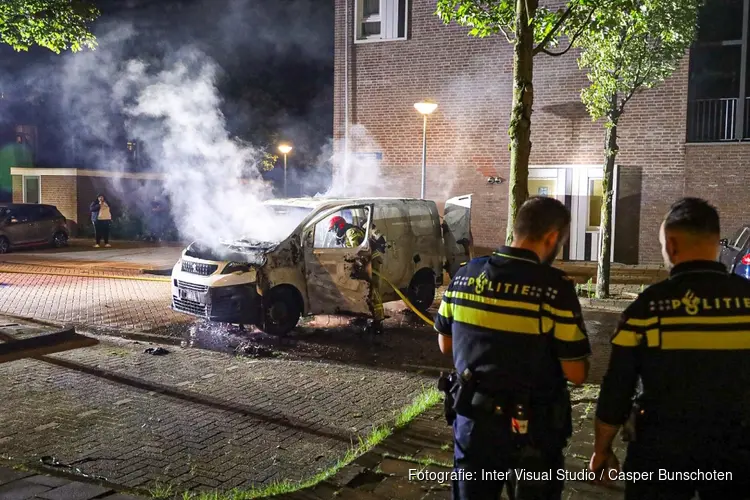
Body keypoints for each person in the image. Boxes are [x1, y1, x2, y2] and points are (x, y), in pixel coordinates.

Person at [590, 197, 750, 499]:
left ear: (672, 245)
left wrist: (602, 449)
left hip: (661, 453)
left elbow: (617, 386)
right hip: (739, 451)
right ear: (716, 242)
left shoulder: (648, 307)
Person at [435, 196, 591, 500]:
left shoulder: (465, 275)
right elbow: (576, 373)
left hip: (473, 425)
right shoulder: (555, 289)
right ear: (551, 238)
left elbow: (445, 344)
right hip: (534, 431)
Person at [328, 215, 387, 334]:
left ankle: (378, 322)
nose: (334, 233)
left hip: (370, 262)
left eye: (334, 229)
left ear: (340, 226)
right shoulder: (346, 234)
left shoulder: (351, 232)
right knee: (360, 291)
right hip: (364, 263)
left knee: (372, 290)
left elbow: (357, 251)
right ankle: (362, 317)